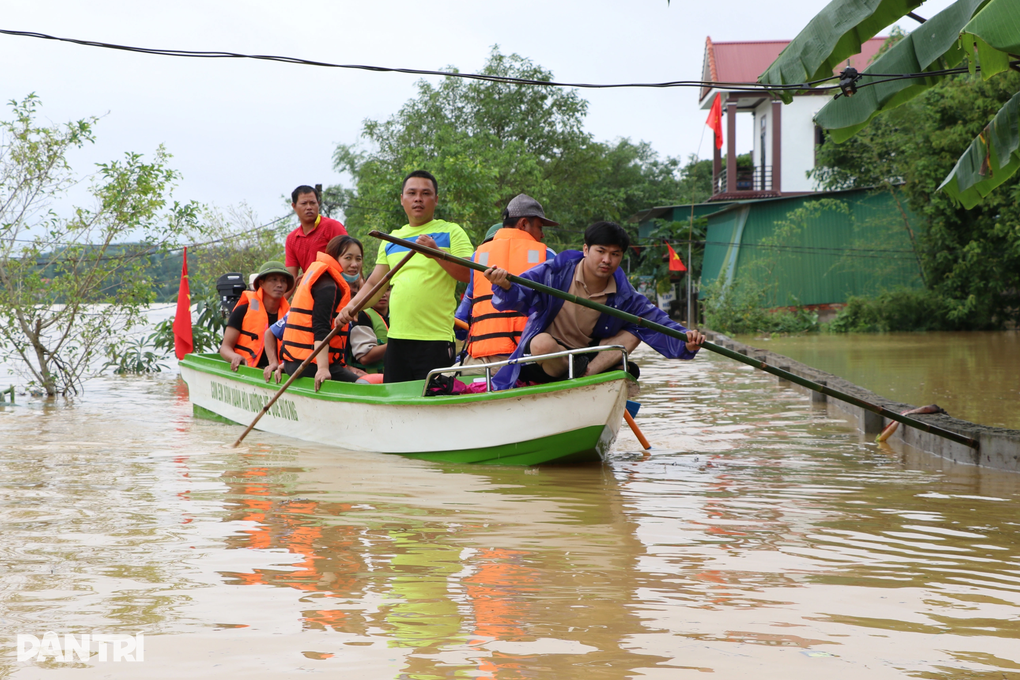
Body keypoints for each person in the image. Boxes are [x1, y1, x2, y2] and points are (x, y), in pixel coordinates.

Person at [483, 221, 706, 391]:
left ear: (620, 257)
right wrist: (505, 285)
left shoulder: (625, 296)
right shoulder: (554, 272)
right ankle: (578, 375)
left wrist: (687, 341)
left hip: (588, 359)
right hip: (549, 361)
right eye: (601, 251)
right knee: (540, 343)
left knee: (636, 331)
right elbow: (520, 294)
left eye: (615, 254)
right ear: (586, 249)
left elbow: (658, 322)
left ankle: (587, 374)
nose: (607, 260)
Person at [338, 170, 473, 383]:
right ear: (402, 199)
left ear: (436, 199)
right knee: (397, 405)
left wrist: (436, 254)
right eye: (412, 193)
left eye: (425, 193)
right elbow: (376, 283)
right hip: (396, 342)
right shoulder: (392, 239)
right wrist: (352, 306)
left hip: (435, 340)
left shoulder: (451, 232)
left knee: (433, 405)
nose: (418, 198)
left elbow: (468, 273)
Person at [455, 194, 558, 367]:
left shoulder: (478, 256)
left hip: (481, 361)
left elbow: (460, 325)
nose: (542, 235)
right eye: (540, 227)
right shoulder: (548, 256)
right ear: (523, 224)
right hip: (529, 359)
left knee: (440, 381)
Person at [279, 235, 359, 390]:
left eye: (358, 258)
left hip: (294, 361)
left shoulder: (321, 277)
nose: (354, 264)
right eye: (348, 258)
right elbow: (320, 328)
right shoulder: (328, 286)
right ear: (334, 257)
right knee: (363, 384)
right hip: (309, 365)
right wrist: (323, 368)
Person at [219, 261, 293, 371]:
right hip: (247, 371)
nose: (279, 285)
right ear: (261, 283)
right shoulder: (243, 310)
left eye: (283, 281)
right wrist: (234, 357)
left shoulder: (290, 316)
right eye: (274, 279)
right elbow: (225, 347)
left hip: (277, 374)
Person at [284, 185, 348, 285]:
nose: (309, 207)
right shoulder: (292, 238)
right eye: (304, 203)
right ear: (294, 206)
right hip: (309, 290)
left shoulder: (333, 227)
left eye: (313, 203)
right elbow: (291, 278)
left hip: (336, 287)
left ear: (318, 204)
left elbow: (349, 260)